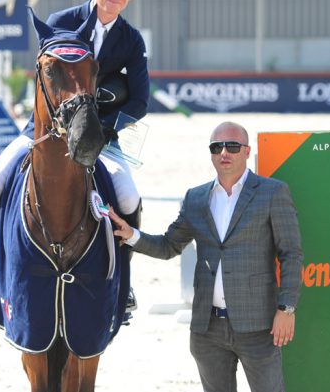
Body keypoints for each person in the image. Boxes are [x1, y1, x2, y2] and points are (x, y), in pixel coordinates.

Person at [0, 0, 150, 297]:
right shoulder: (61, 22)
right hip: (46, 130)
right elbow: (47, 79)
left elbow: (140, 101)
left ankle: (124, 281)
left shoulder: (131, 41)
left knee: (128, 196)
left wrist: (102, 129)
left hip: (102, 136)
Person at [109, 121, 303, 392]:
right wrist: (132, 235)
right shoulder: (196, 198)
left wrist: (287, 309)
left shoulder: (272, 192)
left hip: (258, 327)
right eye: (217, 147)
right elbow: (168, 246)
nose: (224, 152)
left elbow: (291, 254)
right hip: (207, 330)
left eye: (232, 146)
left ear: (247, 151)